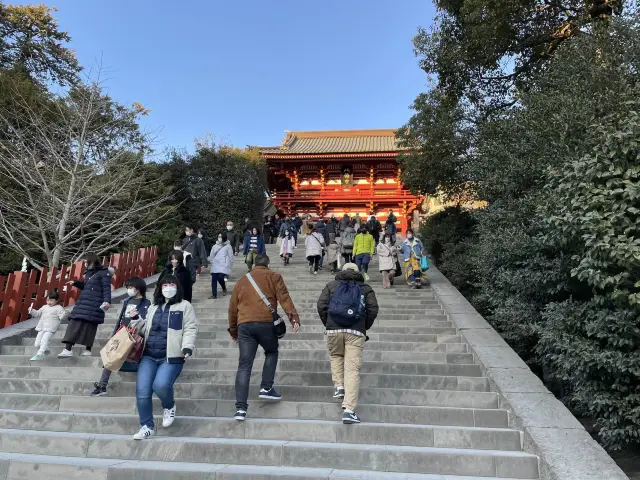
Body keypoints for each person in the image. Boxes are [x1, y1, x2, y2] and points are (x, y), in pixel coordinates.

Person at [228, 254, 300, 421]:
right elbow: (284, 298)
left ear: (253, 264)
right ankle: (266, 388)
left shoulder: (242, 280)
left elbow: (232, 308)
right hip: (266, 322)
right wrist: (293, 318)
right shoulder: (274, 276)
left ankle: (240, 409)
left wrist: (233, 331)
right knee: (271, 352)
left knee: (244, 365)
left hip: (245, 325)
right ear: (268, 264)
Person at [130, 275, 198, 440]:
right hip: (148, 355)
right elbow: (145, 328)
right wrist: (135, 319)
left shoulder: (184, 305)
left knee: (160, 385)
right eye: (165, 284)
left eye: (171, 284)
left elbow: (190, 327)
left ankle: (169, 405)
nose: (168, 287)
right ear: (160, 288)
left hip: (171, 356)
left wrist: (187, 346)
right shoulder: (154, 306)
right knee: (142, 391)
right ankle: (147, 426)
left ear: (177, 287)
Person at [317, 263, 379, 424]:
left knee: (336, 356)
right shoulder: (365, 288)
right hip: (355, 332)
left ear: (342, 271)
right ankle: (349, 410)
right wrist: (364, 327)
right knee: (352, 370)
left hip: (333, 330)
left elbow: (321, 305)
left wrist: (328, 323)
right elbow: (373, 309)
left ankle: (339, 386)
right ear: (358, 273)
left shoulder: (331, 285)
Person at [90, 277, 150, 396]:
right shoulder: (127, 300)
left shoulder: (146, 303)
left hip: (134, 333)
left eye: (131, 287)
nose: (129, 290)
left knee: (117, 358)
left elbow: (144, 321)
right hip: (122, 332)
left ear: (138, 289)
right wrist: (115, 333)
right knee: (111, 357)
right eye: (128, 288)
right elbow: (121, 317)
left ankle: (103, 386)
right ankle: (102, 385)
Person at [59, 252, 111, 358]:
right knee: (74, 322)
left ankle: (88, 350)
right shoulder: (88, 273)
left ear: (91, 261)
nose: (85, 264)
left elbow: (106, 288)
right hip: (83, 301)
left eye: (86, 262)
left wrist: (107, 301)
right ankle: (67, 349)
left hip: (96, 303)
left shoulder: (103, 272)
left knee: (90, 326)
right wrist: (76, 283)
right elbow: (87, 286)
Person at [29, 291, 65, 361]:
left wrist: (65, 315)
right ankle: (46, 350)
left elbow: (61, 317)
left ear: (57, 300)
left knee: (44, 340)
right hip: (42, 327)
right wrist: (32, 310)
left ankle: (39, 354)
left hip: (51, 328)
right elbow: (37, 314)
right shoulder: (44, 307)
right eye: (48, 300)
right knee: (37, 344)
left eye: (51, 300)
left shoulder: (59, 308)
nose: (49, 302)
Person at [209, 232, 234, 299]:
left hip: (223, 265)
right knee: (214, 279)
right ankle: (214, 295)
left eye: (221, 237)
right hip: (215, 264)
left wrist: (229, 265)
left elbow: (231, 256)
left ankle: (224, 288)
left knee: (220, 277)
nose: (219, 238)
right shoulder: (214, 246)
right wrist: (212, 262)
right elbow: (211, 256)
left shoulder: (228, 246)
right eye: (218, 236)